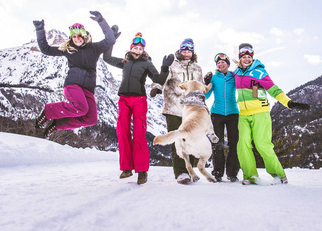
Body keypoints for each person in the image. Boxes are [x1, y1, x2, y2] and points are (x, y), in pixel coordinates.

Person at [33, 11, 119, 137]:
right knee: (81, 108)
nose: (77, 39)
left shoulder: (94, 48)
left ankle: (58, 124)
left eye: (79, 36)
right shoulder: (68, 50)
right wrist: (40, 30)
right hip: (73, 86)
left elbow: (110, 40)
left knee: (91, 119)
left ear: (84, 36)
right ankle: (47, 111)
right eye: (74, 37)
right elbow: (46, 49)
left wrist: (101, 20)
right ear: (71, 38)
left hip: (88, 89)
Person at [234, 43, 310, 185]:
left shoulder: (260, 72)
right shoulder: (236, 73)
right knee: (242, 144)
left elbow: (274, 90)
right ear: (240, 58)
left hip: (260, 113)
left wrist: (288, 102)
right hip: (243, 114)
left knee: (262, 144)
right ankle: (250, 176)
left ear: (252, 57)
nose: (246, 59)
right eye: (243, 57)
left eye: (248, 56)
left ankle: (279, 175)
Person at [103, 32, 172, 185]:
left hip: (139, 100)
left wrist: (165, 68)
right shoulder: (125, 61)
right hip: (124, 100)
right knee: (122, 131)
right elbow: (106, 58)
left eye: (140, 48)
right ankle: (127, 168)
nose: (138, 50)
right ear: (131, 48)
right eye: (135, 47)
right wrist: (111, 41)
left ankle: (142, 171)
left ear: (143, 50)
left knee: (139, 134)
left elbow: (157, 79)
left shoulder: (147, 63)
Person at [151, 38, 203, 184]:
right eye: (184, 50)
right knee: (177, 139)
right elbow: (162, 77)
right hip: (173, 107)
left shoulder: (197, 69)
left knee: (191, 140)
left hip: (192, 109)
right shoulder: (172, 65)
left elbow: (200, 87)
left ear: (192, 52)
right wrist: (156, 87)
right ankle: (181, 173)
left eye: (189, 50)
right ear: (180, 51)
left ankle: (190, 170)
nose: (186, 53)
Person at [204, 53, 240, 182]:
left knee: (234, 143)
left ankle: (232, 173)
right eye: (218, 63)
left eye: (222, 62)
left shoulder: (234, 76)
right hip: (217, 113)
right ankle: (218, 173)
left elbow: (243, 86)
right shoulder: (213, 78)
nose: (220, 64)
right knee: (217, 144)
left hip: (233, 113)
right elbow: (207, 96)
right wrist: (206, 83)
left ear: (228, 64)